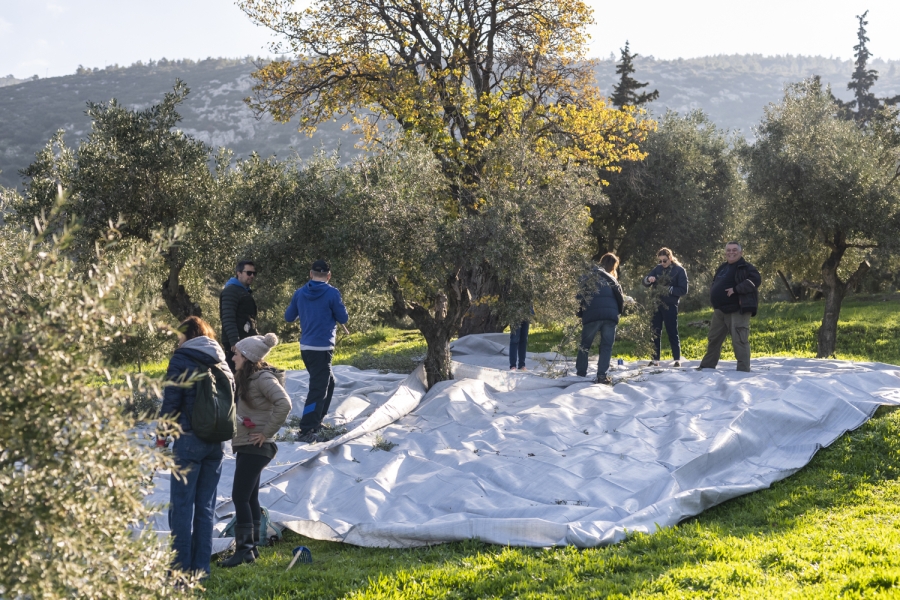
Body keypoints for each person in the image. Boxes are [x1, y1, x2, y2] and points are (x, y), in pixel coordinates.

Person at [158, 316, 234, 576]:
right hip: (216, 441)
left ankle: (179, 571)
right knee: (205, 507)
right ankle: (201, 569)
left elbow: (171, 402)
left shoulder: (181, 358)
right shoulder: (220, 358)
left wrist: (161, 437)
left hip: (189, 439)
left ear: (186, 335)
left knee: (181, 507)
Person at [220, 333, 292, 568]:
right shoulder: (249, 379)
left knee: (239, 496)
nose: (233, 358)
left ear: (248, 357)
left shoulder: (262, 378)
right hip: (248, 445)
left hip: (257, 445)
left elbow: (284, 403)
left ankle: (244, 550)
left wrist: (266, 432)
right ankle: (252, 548)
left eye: (237, 354)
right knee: (249, 496)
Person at [284, 259, 349, 443]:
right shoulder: (332, 293)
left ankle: (316, 421)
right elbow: (343, 317)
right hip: (323, 348)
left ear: (311, 274)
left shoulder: (299, 293)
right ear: (329, 276)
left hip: (306, 348)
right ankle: (306, 429)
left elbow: (289, 317)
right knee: (317, 389)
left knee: (329, 383)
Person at [698, 241, 762, 372]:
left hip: (737, 309)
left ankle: (743, 370)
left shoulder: (746, 267)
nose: (731, 252)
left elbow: (755, 280)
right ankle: (706, 367)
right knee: (713, 339)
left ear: (740, 252)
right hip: (720, 310)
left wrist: (736, 289)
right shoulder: (722, 267)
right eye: (728, 250)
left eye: (734, 250)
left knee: (739, 340)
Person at [575, 253, 625, 385]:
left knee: (585, 345)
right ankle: (602, 376)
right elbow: (620, 297)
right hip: (610, 316)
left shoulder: (588, 276)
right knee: (606, 346)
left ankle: (581, 374)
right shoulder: (612, 279)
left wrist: (580, 314)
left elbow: (579, 296)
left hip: (592, 315)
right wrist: (618, 312)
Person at [642, 247, 689, 367]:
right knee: (655, 332)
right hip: (656, 304)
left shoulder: (679, 270)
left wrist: (668, 289)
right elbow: (644, 282)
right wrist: (648, 279)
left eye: (664, 260)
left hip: (670, 305)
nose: (662, 263)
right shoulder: (657, 269)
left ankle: (677, 359)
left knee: (672, 331)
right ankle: (655, 360)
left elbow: (683, 290)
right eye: (660, 261)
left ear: (670, 258)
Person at [220, 260, 259, 372]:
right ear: (239, 273)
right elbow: (228, 317)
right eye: (249, 273)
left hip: (245, 341)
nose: (252, 276)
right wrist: (234, 342)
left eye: (254, 273)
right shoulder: (230, 291)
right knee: (236, 376)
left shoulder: (243, 291)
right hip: (237, 345)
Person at [509, 306, 534, 371]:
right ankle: (513, 365)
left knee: (523, 339)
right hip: (515, 312)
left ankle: (522, 365)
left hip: (526, 312)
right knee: (514, 339)